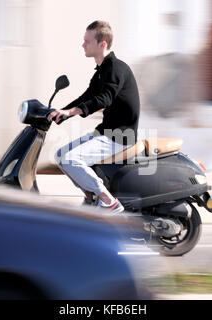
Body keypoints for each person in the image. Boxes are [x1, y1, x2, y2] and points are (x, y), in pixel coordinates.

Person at [48, 20, 140, 214]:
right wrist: (60, 113)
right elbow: (87, 96)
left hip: (120, 136)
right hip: (107, 132)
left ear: (102, 44)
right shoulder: (102, 70)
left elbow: (103, 99)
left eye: (87, 41)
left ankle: (108, 201)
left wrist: (71, 112)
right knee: (60, 155)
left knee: (72, 160)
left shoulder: (116, 68)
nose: (83, 45)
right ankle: (90, 197)